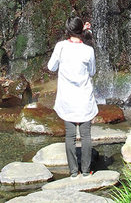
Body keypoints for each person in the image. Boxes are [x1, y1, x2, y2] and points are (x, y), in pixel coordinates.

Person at [47, 16, 98, 179]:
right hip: (84, 99)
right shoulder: (88, 50)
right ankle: (86, 171)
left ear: (68, 30)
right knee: (86, 135)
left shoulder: (61, 47)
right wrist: (87, 36)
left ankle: (73, 172)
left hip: (67, 100)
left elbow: (51, 67)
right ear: (82, 30)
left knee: (70, 135)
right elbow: (92, 72)